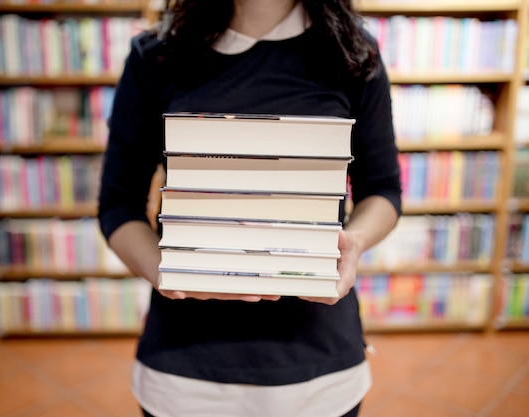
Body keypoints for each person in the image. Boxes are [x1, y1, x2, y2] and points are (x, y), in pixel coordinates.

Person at [97, 0, 401, 416]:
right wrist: (163, 271)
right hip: (184, 373)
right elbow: (119, 204)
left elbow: (383, 191)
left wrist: (355, 241)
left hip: (319, 373)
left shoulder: (352, 51)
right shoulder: (157, 54)